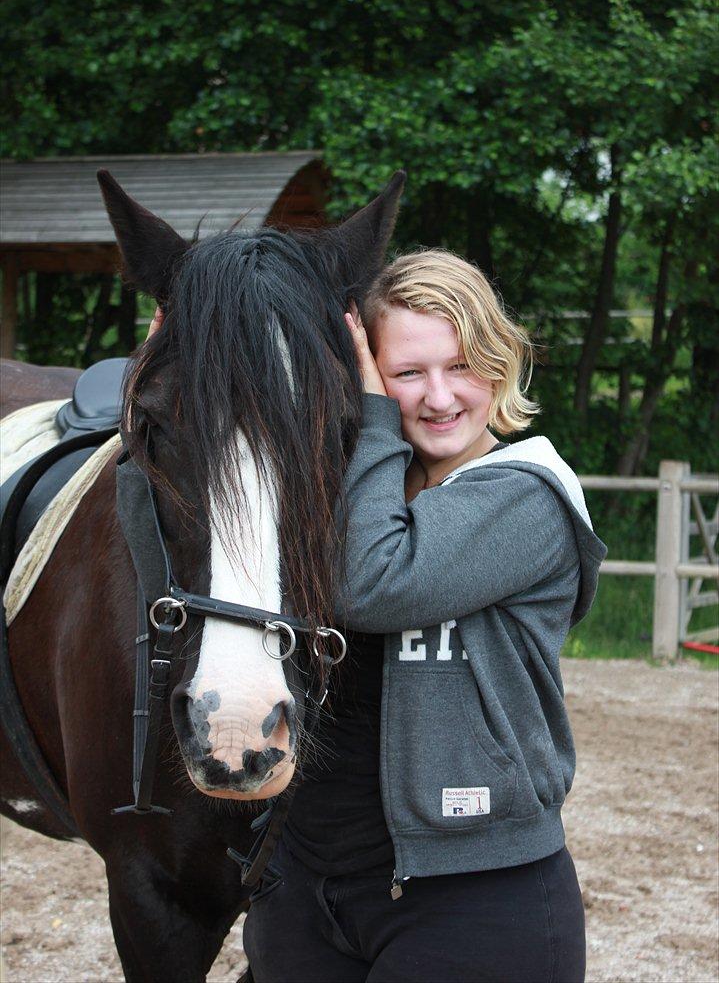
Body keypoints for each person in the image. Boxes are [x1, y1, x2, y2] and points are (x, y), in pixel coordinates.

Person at [149, 248, 606, 983]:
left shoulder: (526, 497)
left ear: (499, 366)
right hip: (306, 884)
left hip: (470, 896)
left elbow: (372, 588)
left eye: (462, 365)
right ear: (367, 376)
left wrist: (372, 416)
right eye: (406, 374)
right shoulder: (355, 497)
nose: (438, 396)